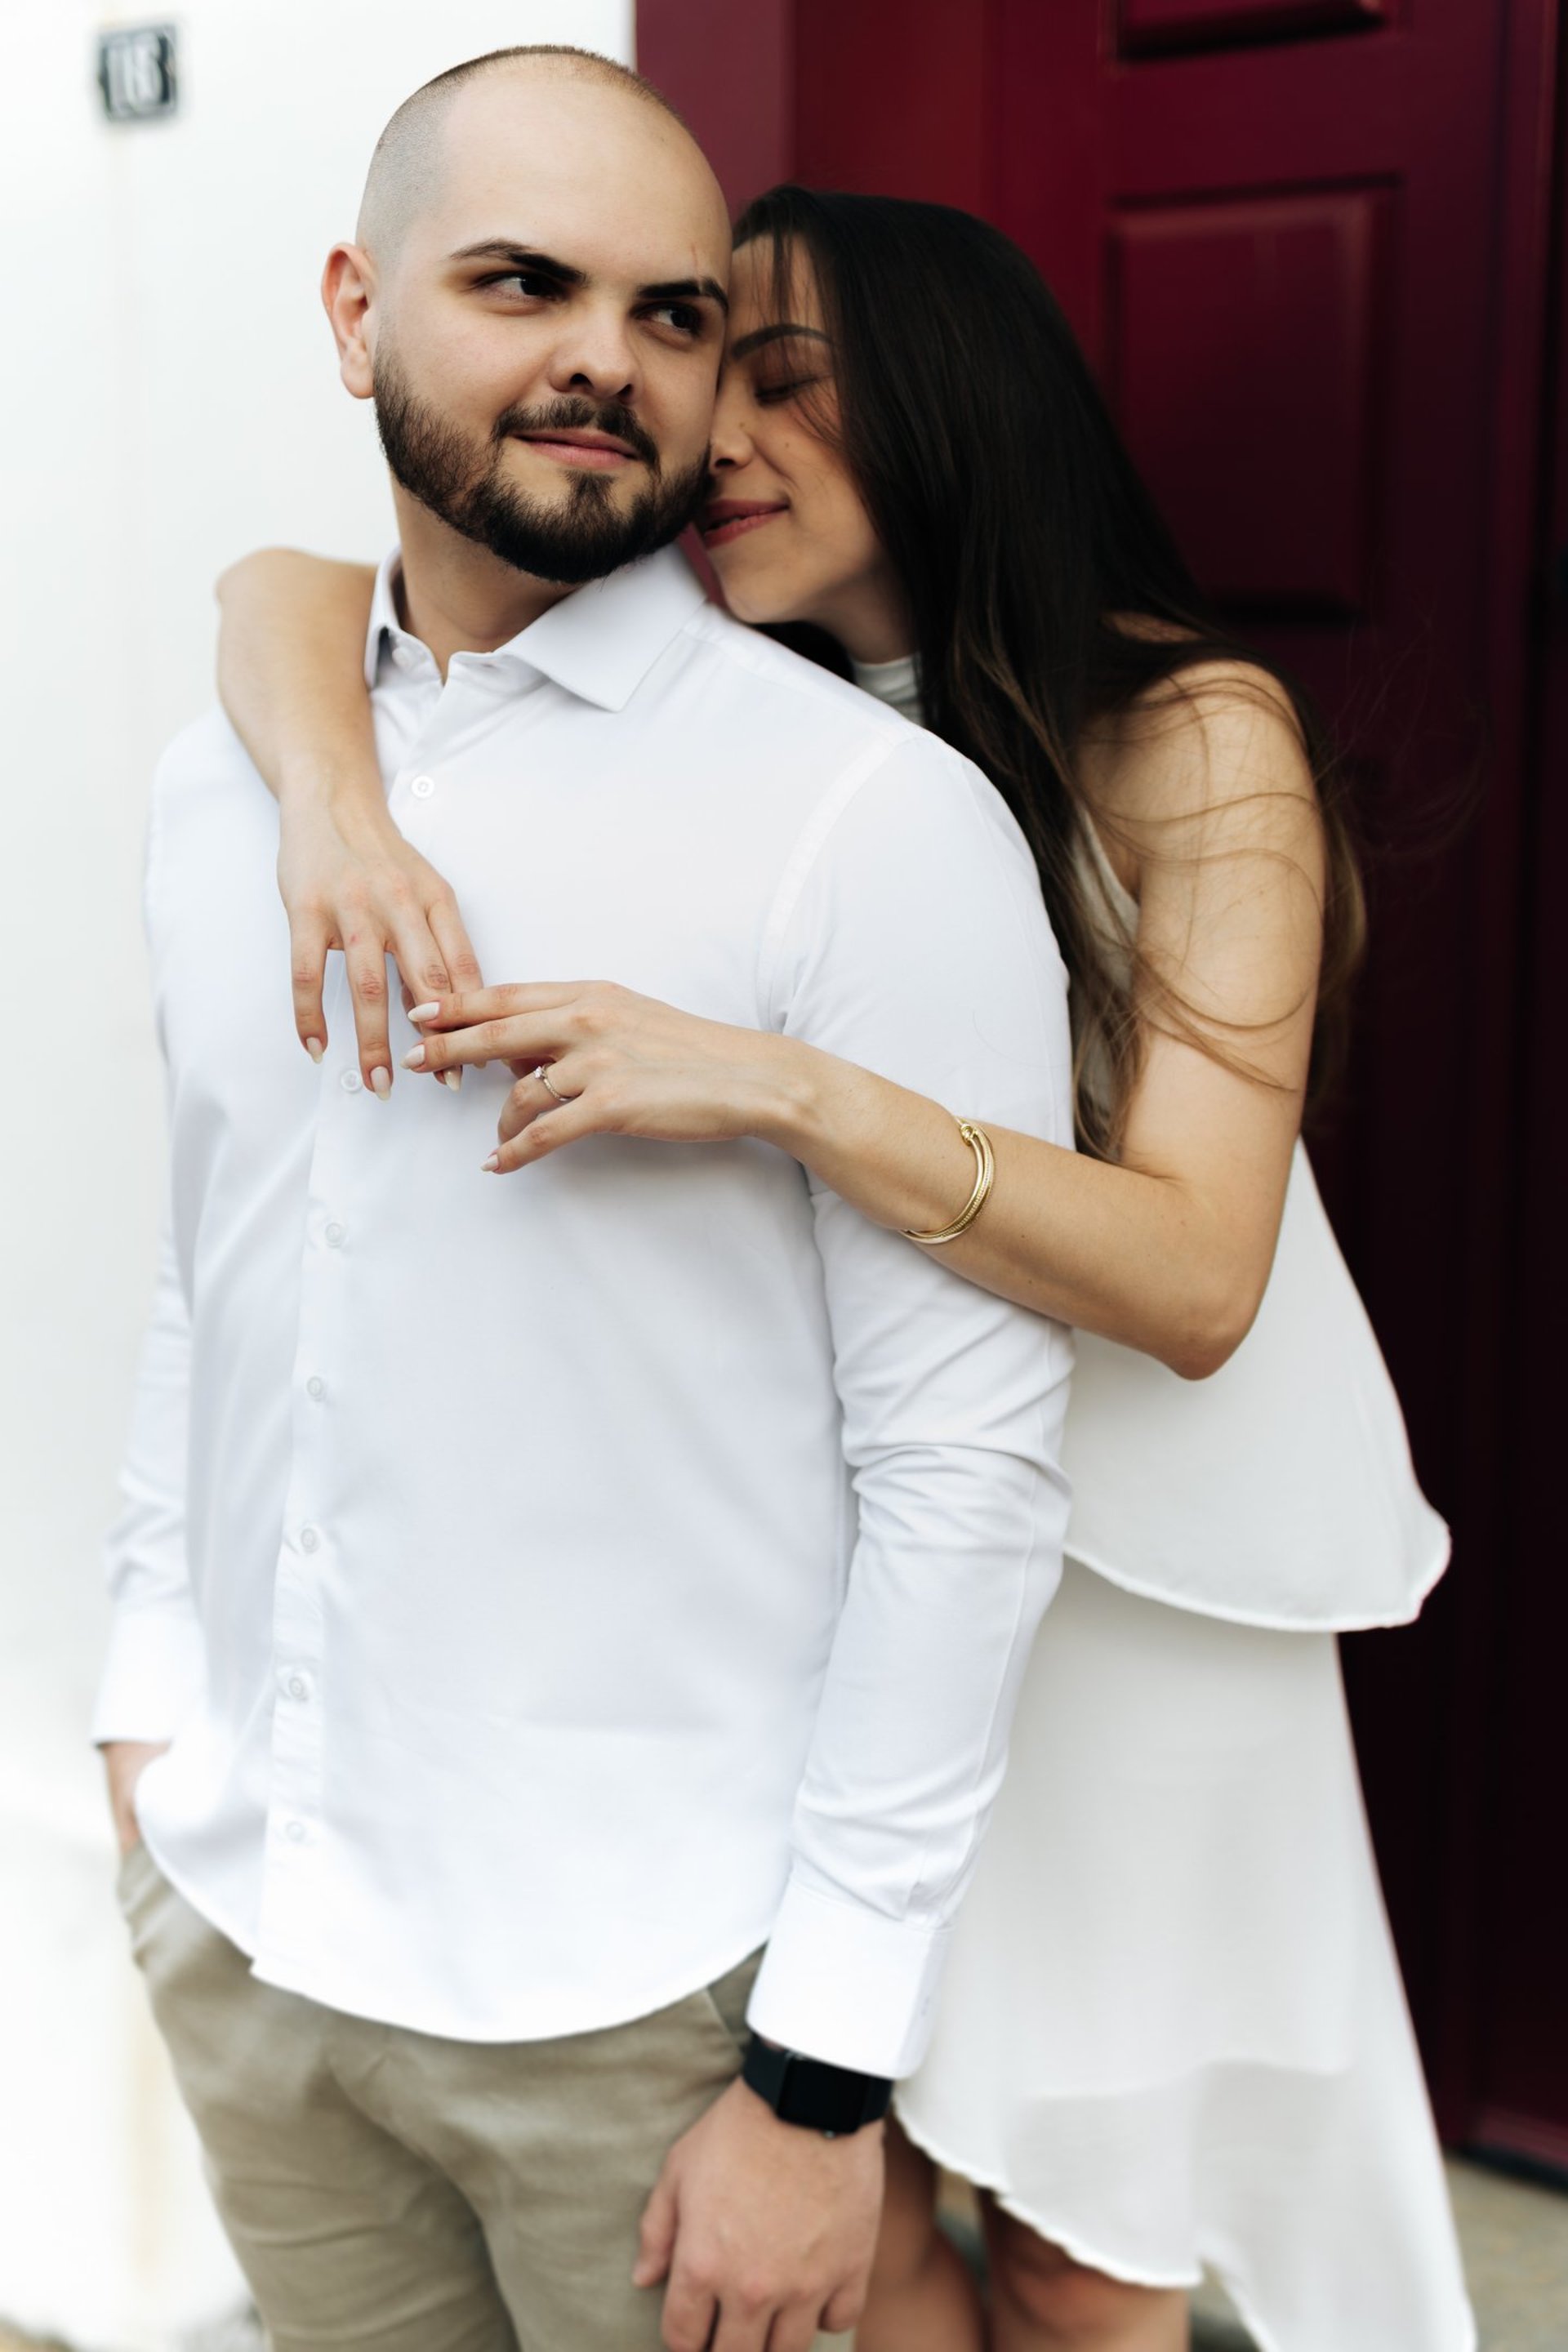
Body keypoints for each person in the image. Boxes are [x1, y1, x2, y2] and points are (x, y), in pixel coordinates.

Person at [216, 180, 1478, 2352]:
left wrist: (783, 1085)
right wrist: (335, 807)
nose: (717, 439)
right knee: (812, 2186)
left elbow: (1196, 1280)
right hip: (857, 1561)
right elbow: (284, 588)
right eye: (724, 380)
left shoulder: (1191, 735)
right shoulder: (754, 703)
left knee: (1086, 2234)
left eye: (781, 378)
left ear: (946, 397)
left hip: (1143, 1595)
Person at [96, 53, 1080, 2352]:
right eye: (519, 283)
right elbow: (214, 1263)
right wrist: (154, 1713)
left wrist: (819, 2084)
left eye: (668, 315)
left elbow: (964, 1473)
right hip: (251, 1931)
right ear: (356, 311)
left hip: (646, 2011)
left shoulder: (866, 824)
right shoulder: (218, 779)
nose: (602, 363)